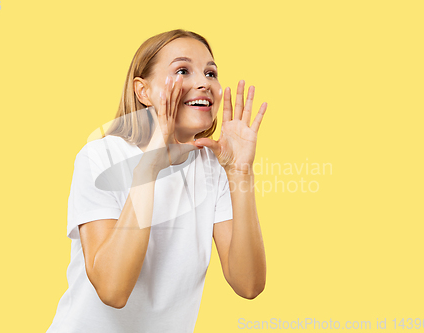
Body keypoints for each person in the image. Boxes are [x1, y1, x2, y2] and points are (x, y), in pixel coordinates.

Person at [46, 29, 268, 333]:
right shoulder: (100, 156)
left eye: (210, 72)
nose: (204, 82)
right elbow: (113, 290)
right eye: (182, 70)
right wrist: (149, 167)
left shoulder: (214, 168)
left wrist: (240, 173)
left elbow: (249, 284)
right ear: (143, 91)